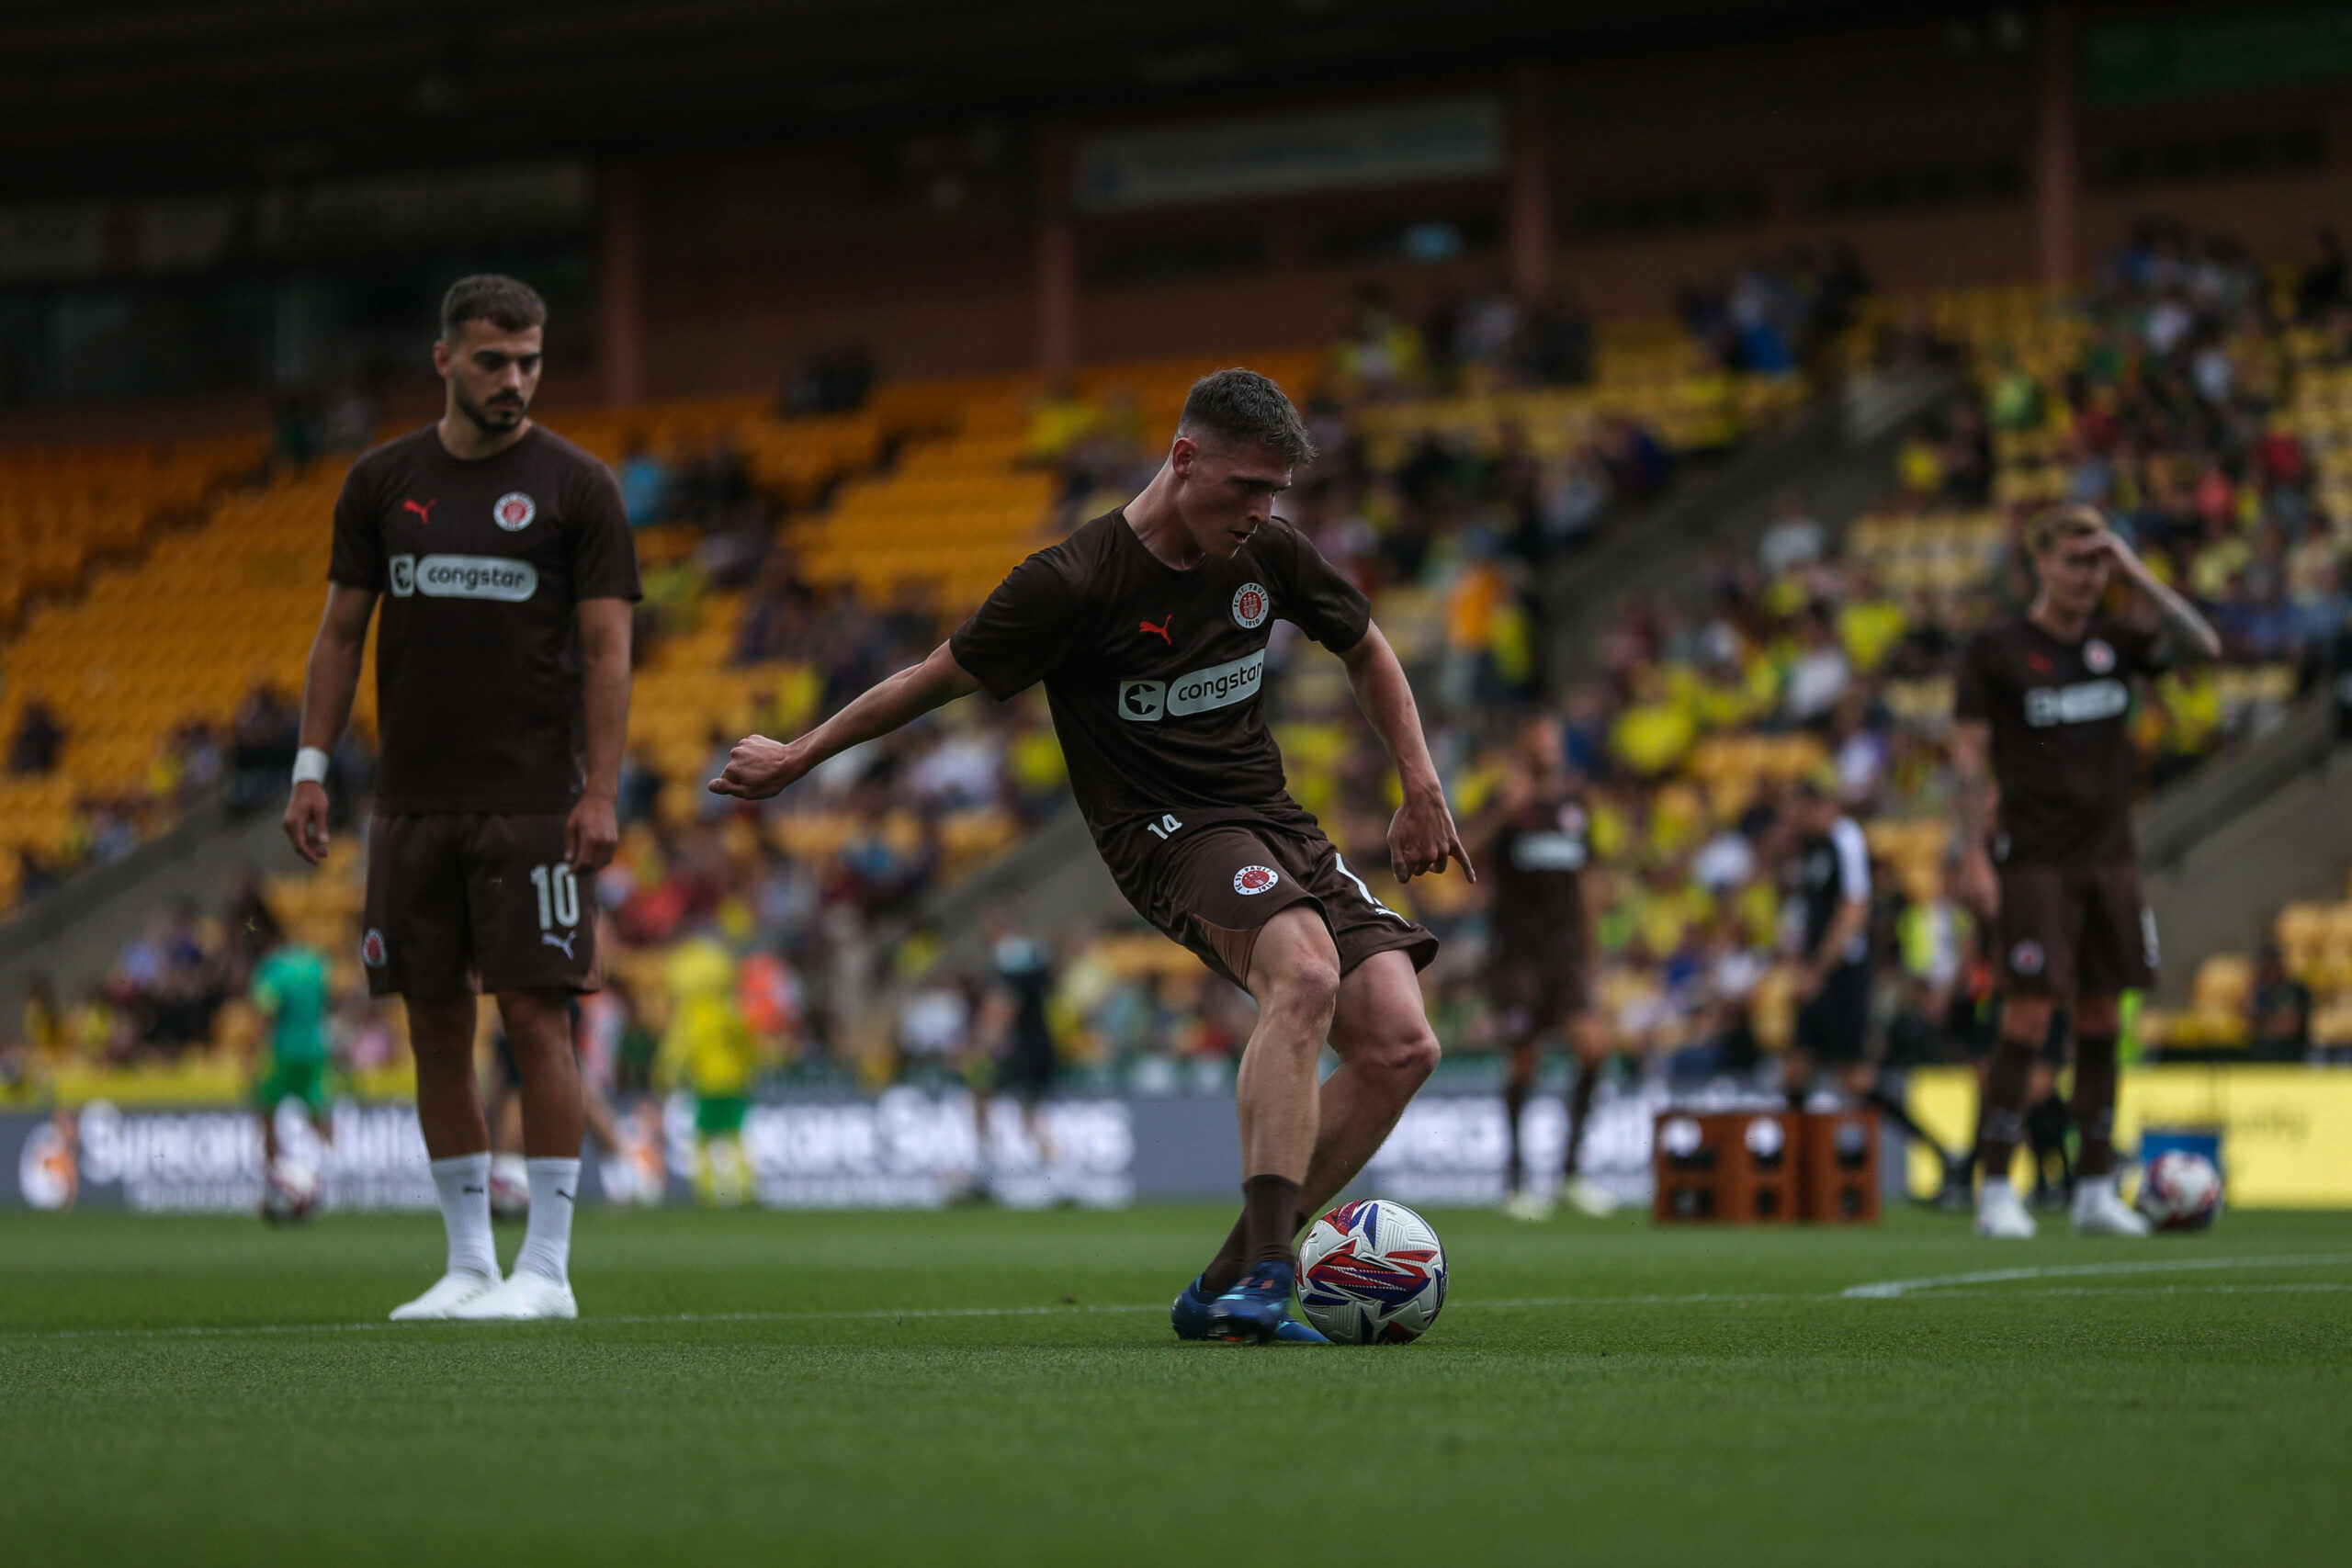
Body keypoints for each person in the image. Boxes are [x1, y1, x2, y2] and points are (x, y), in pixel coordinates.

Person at [713, 368, 1471, 1343]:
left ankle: (1221, 1286)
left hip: (1272, 818)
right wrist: (798, 755)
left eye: (1276, 492)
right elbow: (930, 680)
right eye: (1248, 486)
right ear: (1183, 459)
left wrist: (1420, 782)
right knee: (1307, 971)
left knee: (1403, 1043)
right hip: (1164, 832)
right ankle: (1274, 1270)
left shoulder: (1267, 555)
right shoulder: (1069, 584)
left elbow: (1366, 645)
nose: (1263, 510)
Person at [283, 274, 639, 1319]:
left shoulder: (579, 487)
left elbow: (611, 648)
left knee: (536, 1016)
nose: (515, 381)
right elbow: (341, 632)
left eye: (529, 361)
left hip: (532, 798)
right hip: (408, 801)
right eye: (493, 361)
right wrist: (312, 766)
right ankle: (469, 1265)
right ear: (444, 359)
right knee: (433, 1024)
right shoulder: (383, 482)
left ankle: (549, 1271)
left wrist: (601, 790)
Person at [1951, 502, 2219, 1239]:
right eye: (2076, 560)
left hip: (2112, 858)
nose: (2088, 575)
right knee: (2029, 1013)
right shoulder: (1998, 650)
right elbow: (1968, 755)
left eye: (2099, 562)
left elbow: (2205, 647)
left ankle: (2096, 1186)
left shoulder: (2115, 639)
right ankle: (1997, 1188)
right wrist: (1973, 852)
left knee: (2103, 1016)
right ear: (2041, 561)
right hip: (2035, 860)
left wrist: (2141, 575)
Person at [1464, 714, 1611, 1221]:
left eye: (1554, 737)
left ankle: (1572, 1172)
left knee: (1593, 1049)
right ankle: (1517, 1181)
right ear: (1523, 744)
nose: (1550, 746)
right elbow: (1466, 853)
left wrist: (1593, 954)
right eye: (1540, 737)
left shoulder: (1576, 806)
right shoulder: (1504, 800)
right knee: (1524, 1061)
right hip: (1517, 951)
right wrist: (1504, 812)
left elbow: (1588, 882)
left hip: (1566, 952)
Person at [1780, 777, 1956, 1171]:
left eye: (1796, 811)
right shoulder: (1811, 850)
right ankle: (1797, 1171)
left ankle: (1940, 1152)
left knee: (1856, 1078)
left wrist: (1817, 970)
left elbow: (1853, 910)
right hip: (1817, 973)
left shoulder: (1846, 840)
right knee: (1794, 1070)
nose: (1790, 821)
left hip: (1841, 975)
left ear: (1816, 807)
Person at [249, 934, 334, 1176]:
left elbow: (265, 1013)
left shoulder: (273, 971)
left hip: (281, 1051)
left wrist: (252, 1056)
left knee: (268, 1113)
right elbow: (328, 1003)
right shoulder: (317, 966)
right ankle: (332, 1173)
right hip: (315, 1049)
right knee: (318, 1112)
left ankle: (271, 1176)